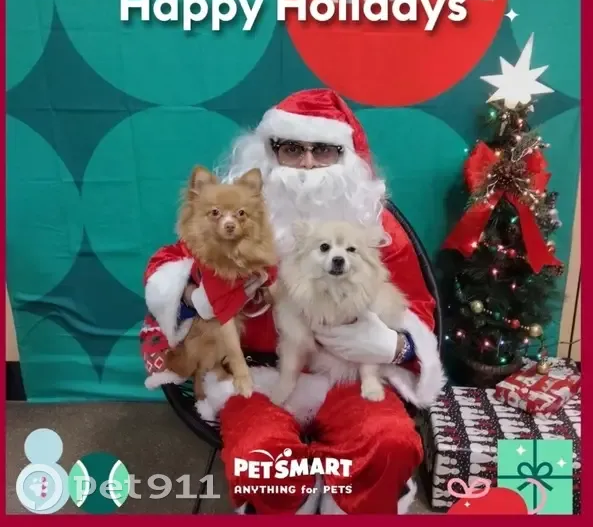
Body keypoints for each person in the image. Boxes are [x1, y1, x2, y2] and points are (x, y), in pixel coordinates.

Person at [141, 89, 445, 515]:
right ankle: (290, 504)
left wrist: (394, 346)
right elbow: (168, 264)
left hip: (348, 374)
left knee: (389, 441)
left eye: (323, 150)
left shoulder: (374, 223)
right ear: (270, 152)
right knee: (259, 455)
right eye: (292, 149)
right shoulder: (236, 212)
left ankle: (351, 503)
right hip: (257, 372)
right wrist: (196, 297)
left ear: (345, 156)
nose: (307, 163)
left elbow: (418, 307)